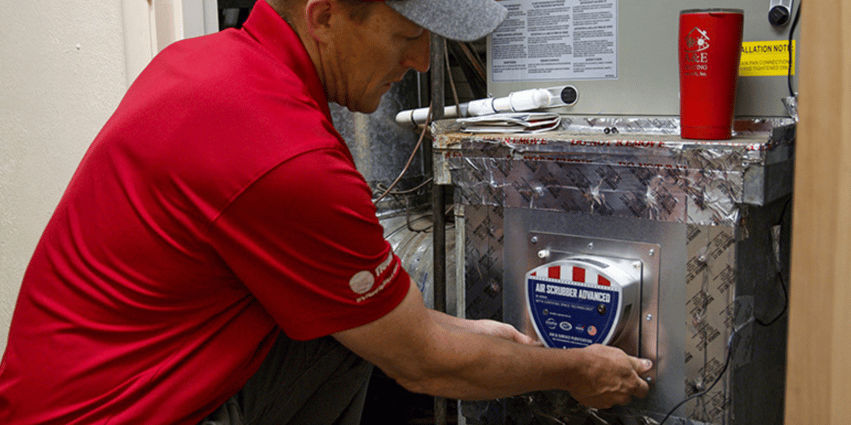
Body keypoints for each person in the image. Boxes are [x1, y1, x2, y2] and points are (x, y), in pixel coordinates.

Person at [0, 0, 653, 423]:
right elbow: (421, 360)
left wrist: (487, 339)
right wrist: (574, 369)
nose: (420, 60)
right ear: (323, 16)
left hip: (77, 393)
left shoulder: (206, 64)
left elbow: (393, 324)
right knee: (374, 348)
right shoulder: (286, 157)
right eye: (406, 35)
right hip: (117, 414)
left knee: (350, 333)